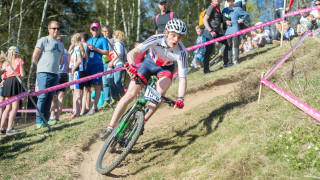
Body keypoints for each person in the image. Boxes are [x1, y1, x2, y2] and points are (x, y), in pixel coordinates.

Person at [99, 18, 187, 139]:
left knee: (159, 94)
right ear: (167, 32)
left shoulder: (182, 52)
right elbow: (132, 53)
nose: (176, 40)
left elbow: (183, 78)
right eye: (173, 35)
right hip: (148, 64)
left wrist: (180, 98)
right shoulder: (156, 38)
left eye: (180, 37)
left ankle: (142, 122)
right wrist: (131, 66)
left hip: (165, 69)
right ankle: (110, 127)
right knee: (129, 95)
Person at [32, 21, 64, 128]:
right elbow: (35, 57)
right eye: (54, 28)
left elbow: (60, 60)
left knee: (50, 97)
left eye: (58, 28)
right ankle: (39, 121)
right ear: (49, 29)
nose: (56, 31)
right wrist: (41, 67)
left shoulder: (61, 44)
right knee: (42, 96)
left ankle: (46, 119)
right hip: (43, 73)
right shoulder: (43, 40)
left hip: (55, 73)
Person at [83, 22, 109, 115]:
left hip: (97, 64)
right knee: (86, 87)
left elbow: (107, 52)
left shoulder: (103, 39)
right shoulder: (89, 40)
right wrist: (87, 51)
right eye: (93, 29)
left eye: (96, 29)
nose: (95, 31)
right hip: (88, 65)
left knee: (97, 85)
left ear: (99, 30)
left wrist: (95, 49)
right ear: (90, 30)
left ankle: (94, 107)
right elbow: (86, 54)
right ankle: (87, 107)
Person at [0, 46, 25, 134]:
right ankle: (9, 127)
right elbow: (22, 74)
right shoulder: (19, 60)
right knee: (15, 107)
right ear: (17, 53)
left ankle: (1, 128)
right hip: (15, 82)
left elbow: (3, 77)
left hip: (7, 83)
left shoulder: (5, 63)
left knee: (7, 107)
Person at [203, 0, 228, 74]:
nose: (217, 0)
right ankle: (206, 71)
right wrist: (211, 31)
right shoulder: (211, 7)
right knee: (208, 51)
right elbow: (205, 20)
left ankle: (226, 63)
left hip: (216, 32)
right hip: (209, 33)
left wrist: (220, 30)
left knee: (227, 42)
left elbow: (216, 22)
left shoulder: (218, 8)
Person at [49, 36, 70, 121]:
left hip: (56, 74)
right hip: (64, 74)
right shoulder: (67, 52)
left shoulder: (56, 50)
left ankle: (52, 115)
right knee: (60, 97)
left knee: (52, 96)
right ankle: (57, 116)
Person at [222, 0, 249, 66]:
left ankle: (236, 60)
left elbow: (247, 14)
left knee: (236, 44)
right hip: (228, 30)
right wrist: (226, 22)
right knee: (229, 45)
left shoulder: (238, 9)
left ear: (233, 1)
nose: (230, 1)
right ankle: (229, 62)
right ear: (227, 2)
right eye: (228, 0)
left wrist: (242, 20)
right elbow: (222, 18)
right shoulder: (225, 10)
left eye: (231, 0)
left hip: (236, 29)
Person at [67, 33, 86, 119]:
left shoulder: (77, 48)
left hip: (77, 72)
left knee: (77, 92)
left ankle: (77, 112)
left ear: (74, 41)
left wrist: (73, 69)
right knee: (76, 92)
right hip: (79, 71)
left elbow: (79, 60)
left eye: (71, 41)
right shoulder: (77, 48)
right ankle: (76, 110)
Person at [107, 30, 126, 102]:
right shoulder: (120, 43)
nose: (113, 36)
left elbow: (119, 53)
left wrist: (112, 61)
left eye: (114, 35)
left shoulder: (118, 43)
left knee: (117, 81)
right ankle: (118, 96)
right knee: (114, 81)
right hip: (117, 64)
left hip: (118, 64)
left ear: (116, 36)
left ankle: (123, 94)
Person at [100, 25, 116, 109]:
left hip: (111, 63)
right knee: (105, 82)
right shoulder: (100, 40)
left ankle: (114, 97)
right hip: (103, 63)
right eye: (105, 31)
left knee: (111, 80)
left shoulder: (112, 40)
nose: (107, 33)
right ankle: (106, 100)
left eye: (108, 31)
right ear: (102, 32)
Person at [79, 32, 89, 116]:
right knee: (85, 89)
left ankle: (82, 109)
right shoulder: (87, 44)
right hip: (85, 68)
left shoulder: (82, 45)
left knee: (81, 91)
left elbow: (85, 56)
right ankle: (84, 108)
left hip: (82, 69)